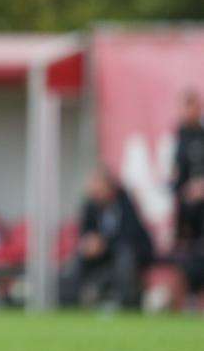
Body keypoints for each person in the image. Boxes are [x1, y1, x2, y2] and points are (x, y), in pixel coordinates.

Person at [60, 169, 154, 309]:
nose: (94, 194)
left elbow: (131, 236)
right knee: (74, 262)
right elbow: (84, 232)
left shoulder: (126, 205)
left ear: (109, 188)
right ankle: (71, 303)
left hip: (127, 254)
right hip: (99, 256)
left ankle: (128, 304)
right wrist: (88, 243)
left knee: (125, 257)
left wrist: (104, 244)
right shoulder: (90, 206)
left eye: (98, 189)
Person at [171, 89, 204, 296]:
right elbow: (176, 175)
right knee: (189, 251)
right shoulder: (179, 137)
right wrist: (185, 191)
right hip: (188, 210)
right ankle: (191, 294)